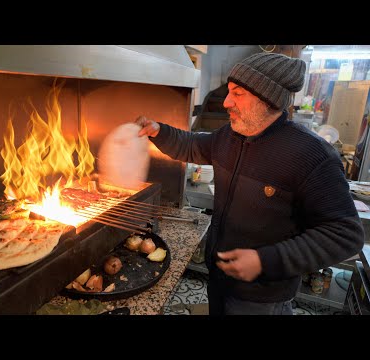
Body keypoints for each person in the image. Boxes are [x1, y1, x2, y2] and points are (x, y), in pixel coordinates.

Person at [135, 52, 364, 315]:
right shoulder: (229, 136)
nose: (227, 102)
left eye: (238, 93)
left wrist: (265, 261)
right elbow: (192, 145)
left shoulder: (310, 155)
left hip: (262, 298)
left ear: (268, 99)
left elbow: (345, 234)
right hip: (219, 279)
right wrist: (158, 131)